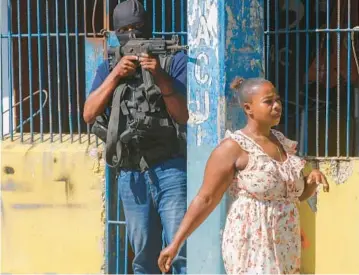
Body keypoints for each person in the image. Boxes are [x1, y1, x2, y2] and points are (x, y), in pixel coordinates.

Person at [158, 77, 330, 274]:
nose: (277, 106)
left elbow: (291, 196)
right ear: (248, 108)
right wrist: (176, 243)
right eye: (268, 101)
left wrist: (311, 182)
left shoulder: (283, 144)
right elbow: (206, 198)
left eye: (278, 100)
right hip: (251, 240)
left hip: (285, 243)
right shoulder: (233, 148)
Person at [83, 0, 188, 274]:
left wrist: (159, 75)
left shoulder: (171, 59)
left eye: (138, 28)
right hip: (130, 171)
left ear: (148, 27)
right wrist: (116, 75)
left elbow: (183, 115)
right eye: (125, 29)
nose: (133, 34)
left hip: (170, 167)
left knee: (179, 253)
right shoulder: (110, 63)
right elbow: (88, 113)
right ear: (117, 32)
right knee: (143, 256)